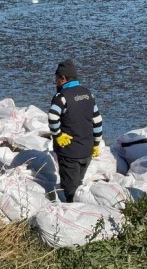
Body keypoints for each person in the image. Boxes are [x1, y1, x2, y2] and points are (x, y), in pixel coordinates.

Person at [47, 60, 103, 203]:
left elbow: (52, 118)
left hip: (70, 152)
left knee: (70, 190)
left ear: (63, 78)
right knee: (78, 184)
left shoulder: (62, 97)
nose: (56, 82)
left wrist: (58, 135)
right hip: (87, 152)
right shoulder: (88, 94)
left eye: (56, 79)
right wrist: (96, 144)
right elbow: (97, 121)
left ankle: (76, 215)